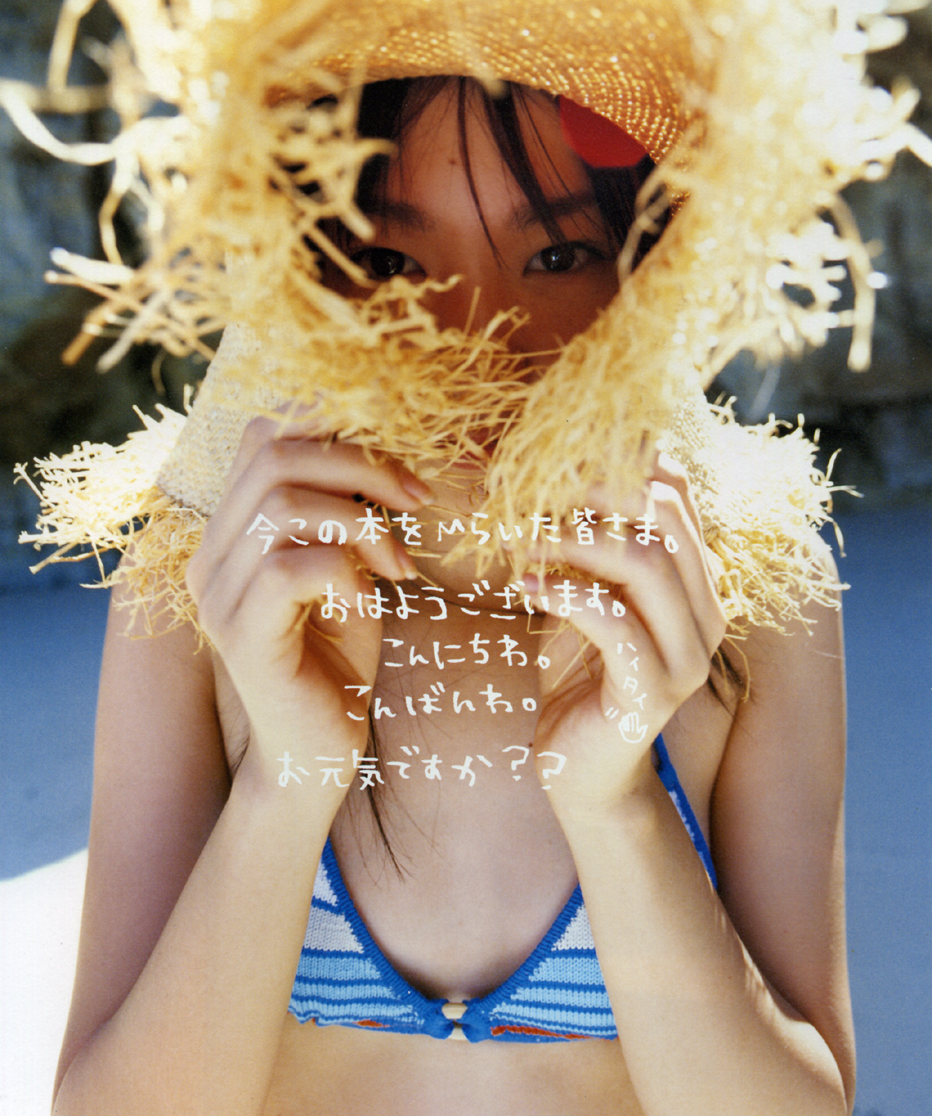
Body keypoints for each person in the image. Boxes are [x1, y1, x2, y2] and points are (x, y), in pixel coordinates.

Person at [46, 73, 854, 1116]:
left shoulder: (750, 588)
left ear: (644, 274)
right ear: (304, 277)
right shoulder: (208, 582)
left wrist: (615, 805)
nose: (474, 333)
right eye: (391, 261)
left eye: (556, 255)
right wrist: (287, 781)